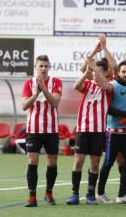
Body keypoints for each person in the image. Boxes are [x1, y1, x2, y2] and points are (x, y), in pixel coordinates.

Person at [66, 57, 113, 205]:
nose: (94, 74)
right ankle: (74, 194)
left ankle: (90, 194)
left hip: (98, 131)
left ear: (105, 72)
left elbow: (106, 87)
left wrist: (95, 69)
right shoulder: (87, 84)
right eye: (94, 71)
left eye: (98, 71)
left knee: (94, 163)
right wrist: (87, 72)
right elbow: (75, 86)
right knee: (78, 161)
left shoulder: (109, 85)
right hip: (83, 129)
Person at [22, 55, 63, 207]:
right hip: (33, 128)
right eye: (41, 66)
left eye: (46, 66)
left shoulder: (56, 82)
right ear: (35, 67)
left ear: (49, 67)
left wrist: (44, 89)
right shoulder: (28, 83)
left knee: (52, 162)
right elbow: (24, 105)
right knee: (32, 161)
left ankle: (49, 193)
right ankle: (32, 197)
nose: (44, 68)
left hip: (51, 129)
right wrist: (36, 93)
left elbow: (55, 102)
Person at [96, 60, 126, 204]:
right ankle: (100, 192)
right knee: (108, 162)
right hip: (113, 132)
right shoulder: (112, 86)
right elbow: (106, 106)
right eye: (123, 71)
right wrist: (123, 113)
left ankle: (122, 195)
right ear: (118, 73)